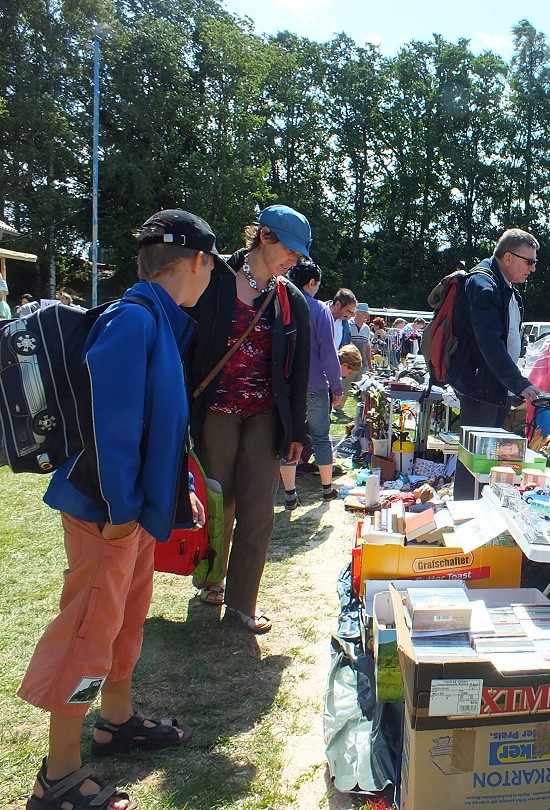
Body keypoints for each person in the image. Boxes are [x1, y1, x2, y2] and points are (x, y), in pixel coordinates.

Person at [19, 209, 217, 810]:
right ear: (199, 262)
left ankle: (115, 720)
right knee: (88, 631)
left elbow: (155, 423)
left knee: (124, 621)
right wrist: (123, 507)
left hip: (132, 512)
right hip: (109, 512)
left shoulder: (158, 318)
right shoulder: (134, 320)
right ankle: (60, 776)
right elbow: (114, 426)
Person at [187, 204, 312, 633]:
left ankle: (243, 604)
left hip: (264, 416)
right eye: (290, 251)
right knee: (218, 502)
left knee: (259, 509)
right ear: (263, 236)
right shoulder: (213, 280)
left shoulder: (291, 299)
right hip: (215, 411)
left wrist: (297, 431)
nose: (295, 260)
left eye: (298, 254)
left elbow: (300, 371)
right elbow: (187, 345)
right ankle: (209, 581)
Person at [447, 228, 543, 500]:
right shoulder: (483, 284)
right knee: (476, 461)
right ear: (508, 258)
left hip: (491, 385)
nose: (533, 268)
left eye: (535, 262)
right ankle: (467, 516)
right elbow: (489, 342)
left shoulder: (502, 285)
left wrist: (513, 383)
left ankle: (479, 513)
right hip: (479, 386)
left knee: (488, 461)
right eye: (529, 261)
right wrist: (520, 384)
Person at [279, 260, 344, 511]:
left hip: (286, 385)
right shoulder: (320, 309)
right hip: (316, 384)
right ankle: (327, 490)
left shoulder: (280, 303)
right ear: (312, 283)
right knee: (320, 438)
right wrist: (337, 387)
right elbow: (328, 353)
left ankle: (289, 494)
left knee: (288, 439)